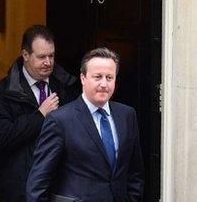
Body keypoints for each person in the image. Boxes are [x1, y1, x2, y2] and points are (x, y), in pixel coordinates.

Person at [26, 47, 144, 202]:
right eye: (97, 77)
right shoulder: (60, 120)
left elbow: (135, 172)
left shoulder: (127, 115)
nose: (104, 84)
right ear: (83, 78)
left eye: (109, 77)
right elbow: (38, 183)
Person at [0, 24, 79, 202]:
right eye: (41, 57)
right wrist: (40, 115)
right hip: (17, 187)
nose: (48, 62)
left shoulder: (67, 88)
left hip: (59, 187)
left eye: (51, 56)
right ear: (25, 55)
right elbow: (3, 138)